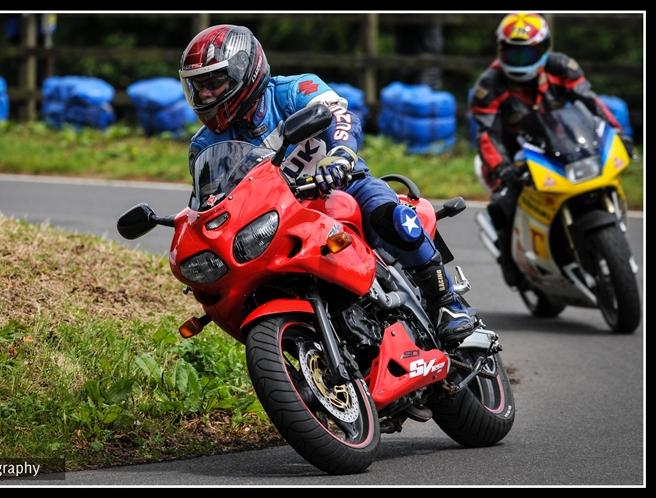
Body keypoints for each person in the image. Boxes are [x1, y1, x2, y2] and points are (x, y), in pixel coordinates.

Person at [179, 25, 476, 346]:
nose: (205, 95)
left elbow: (340, 115)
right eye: (198, 87)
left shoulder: (294, 89)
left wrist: (340, 154)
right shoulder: (203, 144)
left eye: (213, 83)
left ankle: (447, 304)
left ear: (245, 72)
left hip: (339, 186)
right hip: (276, 218)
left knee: (389, 214)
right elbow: (211, 200)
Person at [469, 12, 633, 287]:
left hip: (561, 144)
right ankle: (511, 263)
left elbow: (592, 104)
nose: (518, 61)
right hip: (510, 154)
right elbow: (486, 135)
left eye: (526, 53)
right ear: (500, 50)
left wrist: (617, 132)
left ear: (544, 49)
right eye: (512, 53)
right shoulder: (489, 85)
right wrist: (502, 168)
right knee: (505, 200)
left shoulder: (562, 68)